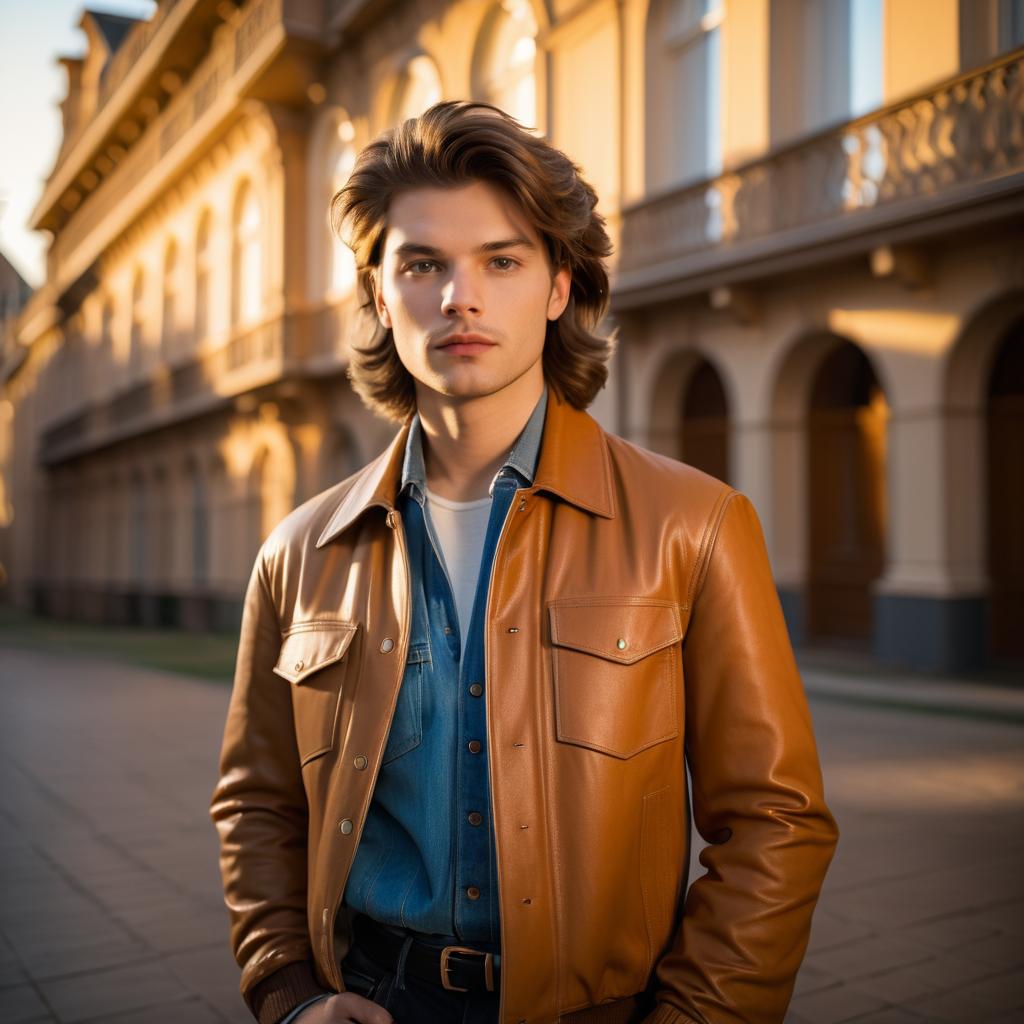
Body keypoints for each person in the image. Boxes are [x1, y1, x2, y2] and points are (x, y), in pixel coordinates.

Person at [210, 100, 839, 1024]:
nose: (459, 297)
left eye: (501, 261)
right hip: (371, 999)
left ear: (557, 288)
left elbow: (777, 824)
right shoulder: (298, 551)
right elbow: (257, 805)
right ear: (382, 297)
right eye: (422, 264)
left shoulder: (695, 524)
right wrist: (289, 993)